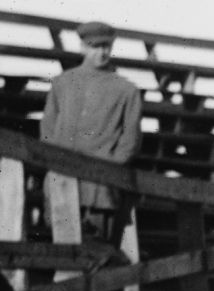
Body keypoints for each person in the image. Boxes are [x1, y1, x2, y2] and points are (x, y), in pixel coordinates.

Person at [40, 21, 143, 243]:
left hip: (100, 188)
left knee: (99, 254)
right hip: (63, 178)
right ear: (83, 48)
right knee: (61, 249)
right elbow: (47, 130)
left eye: (107, 46)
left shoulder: (127, 91)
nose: (102, 52)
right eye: (95, 46)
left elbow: (130, 141)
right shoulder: (63, 83)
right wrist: (55, 164)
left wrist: (108, 169)